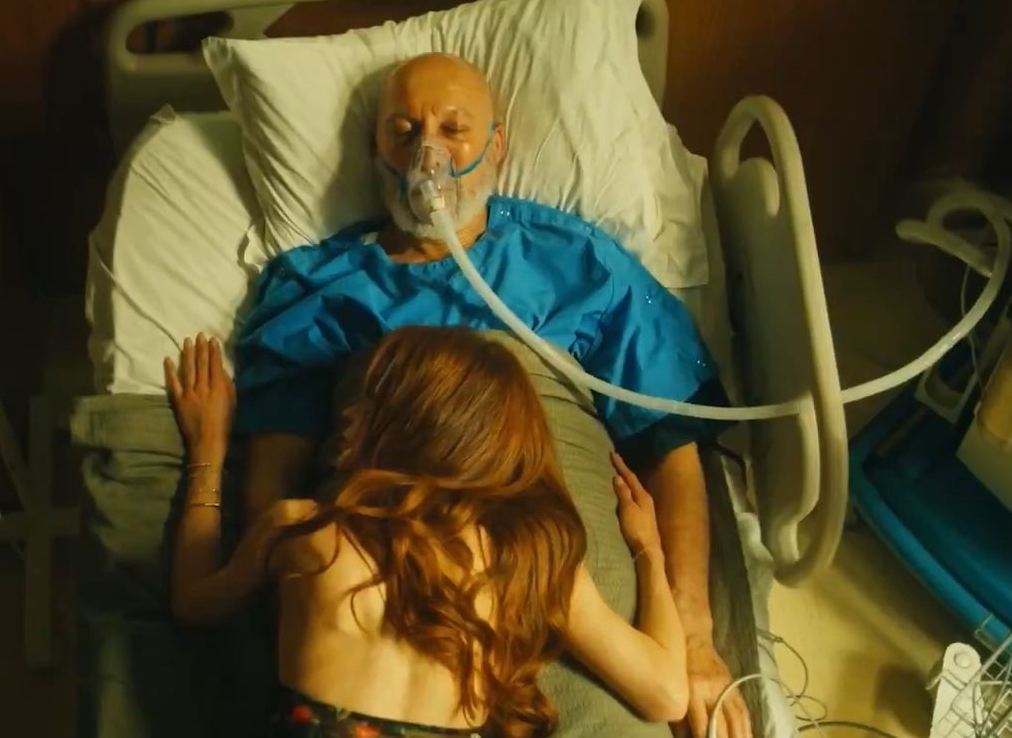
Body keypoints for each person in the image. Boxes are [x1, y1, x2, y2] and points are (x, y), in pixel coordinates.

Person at [232, 52, 751, 738]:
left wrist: (693, 639)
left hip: (548, 557)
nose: (428, 154)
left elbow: (670, 441)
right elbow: (273, 475)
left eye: (454, 130)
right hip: (381, 583)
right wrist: (293, 618)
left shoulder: (577, 264)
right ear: (375, 149)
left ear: (497, 146)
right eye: (403, 132)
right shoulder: (319, 287)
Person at [166, 328, 688, 737]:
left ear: (412, 423)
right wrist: (648, 551)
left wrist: (208, 450)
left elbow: (193, 602)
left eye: (371, 399)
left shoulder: (307, 530)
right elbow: (666, 694)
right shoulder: (525, 563)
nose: (348, 414)